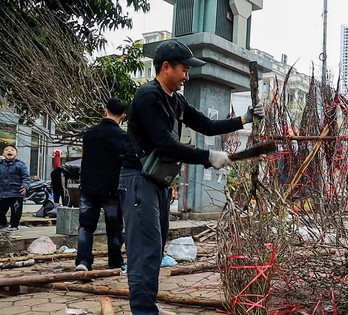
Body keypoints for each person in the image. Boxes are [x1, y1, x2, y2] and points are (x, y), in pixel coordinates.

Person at [119, 39, 264, 315]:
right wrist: (208, 157)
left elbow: (206, 126)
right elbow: (164, 145)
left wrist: (243, 120)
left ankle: (148, 306)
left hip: (157, 182)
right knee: (144, 251)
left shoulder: (176, 100)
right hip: (138, 181)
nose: (187, 76)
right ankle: (143, 311)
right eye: (184, 70)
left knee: (156, 247)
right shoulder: (148, 96)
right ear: (165, 67)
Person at [74, 98, 129, 272]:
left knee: (85, 226)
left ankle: (83, 261)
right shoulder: (122, 137)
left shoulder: (89, 133)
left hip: (89, 186)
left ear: (105, 111)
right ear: (123, 117)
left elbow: (84, 156)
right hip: (111, 188)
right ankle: (115, 262)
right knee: (114, 228)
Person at [0, 145, 31, 231]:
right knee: (1, 211)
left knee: (16, 211)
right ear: (3, 154)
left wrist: (25, 186)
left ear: (16, 154)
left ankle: (14, 226)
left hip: (16, 193)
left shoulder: (20, 165)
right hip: (2, 193)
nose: (9, 151)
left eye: (12, 150)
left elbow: (26, 177)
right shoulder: (0, 165)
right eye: (6, 150)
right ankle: (3, 224)